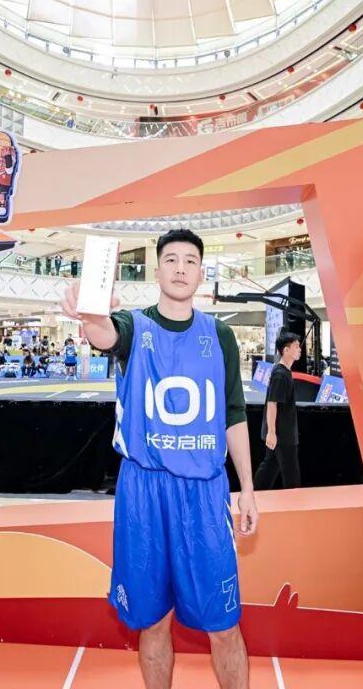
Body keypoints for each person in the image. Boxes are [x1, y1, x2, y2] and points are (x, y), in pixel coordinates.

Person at [61, 228, 257, 689]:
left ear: (202, 273)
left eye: (190, 261)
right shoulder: (134, 326)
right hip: (144, 491)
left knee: (224, 626)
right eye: (171, 260)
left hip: (204, 494)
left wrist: (248, 488)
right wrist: (91, 313)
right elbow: (104, 335)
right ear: (157, 271)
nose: (181, 268)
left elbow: (233, 414)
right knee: (152, 623)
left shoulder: (220, 336)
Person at [254, 332, 303, 490]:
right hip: (283, 435)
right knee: (291, 475)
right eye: (296, 346)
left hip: (281, 434)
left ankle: (255, 493)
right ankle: (293, 501)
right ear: (286, 350)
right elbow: (272, 403)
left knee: (269, 468)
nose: (300, 349)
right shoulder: (281, 375)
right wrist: (272, 432)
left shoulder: (283, 372)